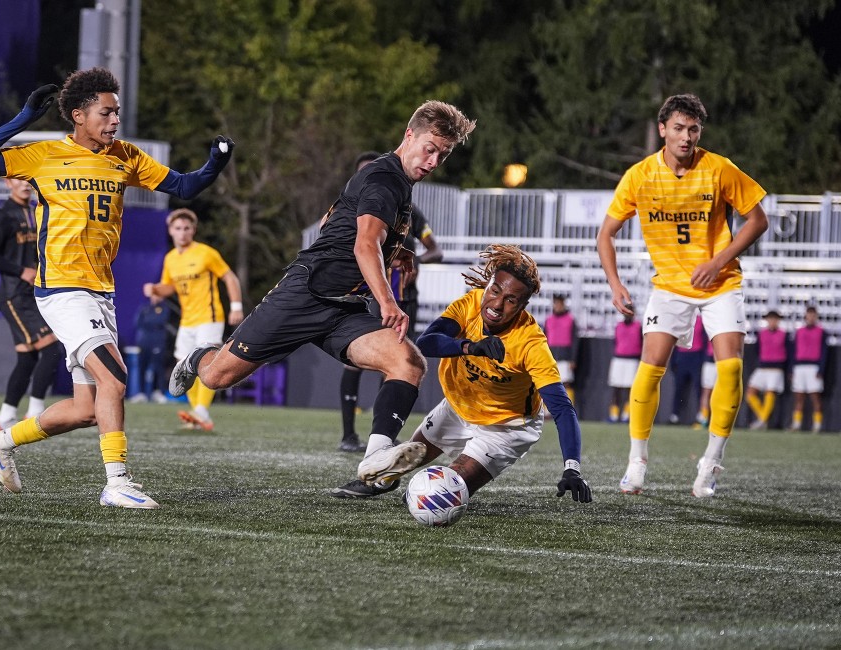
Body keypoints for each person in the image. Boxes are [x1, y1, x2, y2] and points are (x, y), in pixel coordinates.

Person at [0, 67, 234, 508]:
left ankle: (3, 441)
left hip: (100, 291)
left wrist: (215, 162)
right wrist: (22, 120)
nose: (114, 121)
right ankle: (117, 482)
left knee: (87, 409)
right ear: (78, 115)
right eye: (106, 113)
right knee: (116, 379)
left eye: (117, 112)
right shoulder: (44, 154)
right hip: (62, 290)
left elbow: (184, 186)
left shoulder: (125, 155)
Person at [169, 100, 475, 490]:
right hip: (304, 295)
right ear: (409, 136)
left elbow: (337, 222)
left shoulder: (400, 189)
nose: (433, 161)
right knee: (216, 378)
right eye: (430, 149)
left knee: (409, 362)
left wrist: (398, 251)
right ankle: (199, 357)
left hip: (343, 308)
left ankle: (375, 466)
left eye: (443, 155)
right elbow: (364, 245)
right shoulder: (386, 180)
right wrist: (387, 301)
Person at [597, 93, 768, 498]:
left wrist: (718, 260)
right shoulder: (639, 176)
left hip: (720, 283)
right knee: (650, 368)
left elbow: (758, 220)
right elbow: (606, 233)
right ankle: (636, 462)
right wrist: (615, 284)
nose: (686, 136)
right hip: (669, 286)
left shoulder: (719, 168)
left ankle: (710, 463)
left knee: (730, 369)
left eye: (693, 129)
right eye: (678, 128)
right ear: (662, 130)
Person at [330, 245, 592, 503]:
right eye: (495, 290)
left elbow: (562, 408)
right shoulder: (470, 304)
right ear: (487, 286)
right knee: (395, 467)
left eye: (511, 300)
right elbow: (427, 342)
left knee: (442, 493)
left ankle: (436, 492)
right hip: (459, 405)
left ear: (523, 305)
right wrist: (469, 346)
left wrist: (572, 467)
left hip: (505, 425)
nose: (497, 304)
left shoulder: (531, 344)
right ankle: (384, 482)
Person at [337, 151, 443, 453]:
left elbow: (436, 251)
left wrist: (413, 259)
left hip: (405, 299)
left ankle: (380, 437)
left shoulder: (410, 210)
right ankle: (347, 435)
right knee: (353, 364)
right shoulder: (351, 209)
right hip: (369, 295)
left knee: (399, 362)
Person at [143, 208, 243, 431]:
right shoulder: (170, 258)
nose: (182, 232)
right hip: (187, 320)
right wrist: (156, 290)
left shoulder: (206, 253)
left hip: (209, 316)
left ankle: (201, 411)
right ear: (170, 231)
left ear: (193, 230)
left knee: (206, 363)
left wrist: (236, 307)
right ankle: (200, 415)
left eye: (187, 228)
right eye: (178, 228)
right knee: (184, 367)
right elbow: (170, 287)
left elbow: (230, 277)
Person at [0, 178, 62, 430]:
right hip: (15, 296)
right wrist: (19, 270)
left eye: (28, 179)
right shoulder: (3, 215)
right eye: (18, 179)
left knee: (27, 358)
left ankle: (4, 417)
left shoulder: (39, 210)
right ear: (7, 183)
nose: (25, 184)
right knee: (51, 349)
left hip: (36, 294)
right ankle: (35, 412)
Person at [745, 310, 791, 430]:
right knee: (750, 393)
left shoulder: (783, 334)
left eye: (775, 319)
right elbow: (757, 350)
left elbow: (789, 353)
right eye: (770, 319)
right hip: (762, 367)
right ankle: (763, 417)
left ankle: (762, 421)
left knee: (770, 393)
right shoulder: (761, 334)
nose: (772, 322)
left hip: (776, 368)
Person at [789, 306, 827, 433]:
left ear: (816, 317)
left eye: (813, 315)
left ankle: (817, 425)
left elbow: (824, 352)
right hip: (799, 367)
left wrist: (821, 369)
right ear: (805, 316)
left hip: (813, 367)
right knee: (799, 397)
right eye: (809, 315)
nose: (811, 317)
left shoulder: (822, 332)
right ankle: (796, 423)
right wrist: (792, 369)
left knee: (815, 397)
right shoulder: (799, 331)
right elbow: (793, 351)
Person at [128, 295, 172, 404]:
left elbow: (161, 320)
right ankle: (141, 393)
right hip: (144, 342)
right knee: (142, 367)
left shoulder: (165, 308)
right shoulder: (145, 308)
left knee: (158, 368)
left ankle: (158, 392)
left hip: (158, 342)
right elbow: (138, 322)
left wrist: (150, 322)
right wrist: (152, 323)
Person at [668, 315, 706, 425]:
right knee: (678, 388)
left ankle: (701, 416)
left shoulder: (700, 320)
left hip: (696, 356)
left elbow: (704, 341)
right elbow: (674, 341)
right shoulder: (679, 319)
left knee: (698, 388)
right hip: (682, 356)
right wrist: (673, 361)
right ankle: (675, 415)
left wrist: (702, 359)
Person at [543, 294, 579, 405]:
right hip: (551, 355)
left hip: (565, 355)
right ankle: (547, 409)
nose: (557, 306)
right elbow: (543, 339)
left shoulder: (570, 320)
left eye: (559, 303)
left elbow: (575, 340)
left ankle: (568, 406)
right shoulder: (548, 320)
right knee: (547, 382)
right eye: (556, 303)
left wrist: (573, 359)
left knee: (566, 382)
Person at [607, 312, 641, 423]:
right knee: (615, 388)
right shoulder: (618, 326)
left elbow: (641, 343)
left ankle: (627, 415)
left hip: (632, 360)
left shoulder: (638, 326)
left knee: (630, 390)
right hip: (618, 359)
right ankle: (614, 415)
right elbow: (615, 342)